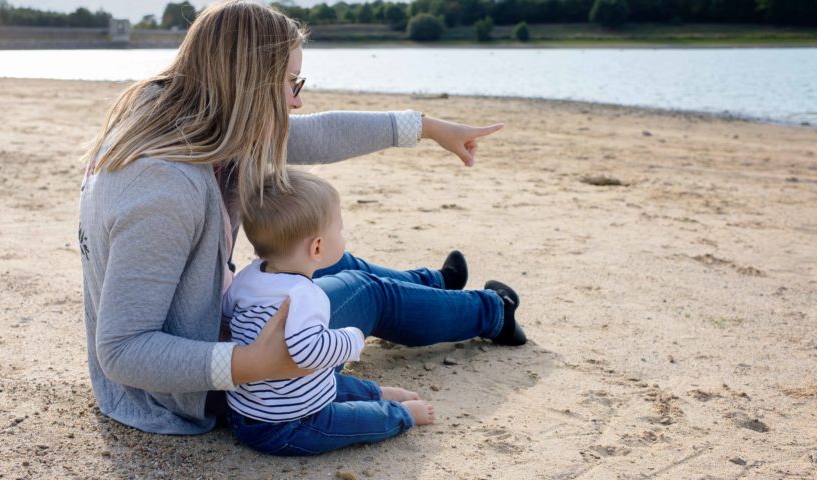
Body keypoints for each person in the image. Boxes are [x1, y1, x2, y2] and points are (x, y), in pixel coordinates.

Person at [78, 0, 526, 436]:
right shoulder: (164, 190)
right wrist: (256, 363)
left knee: (328, 258)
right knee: (365, 292)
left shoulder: (187, 119)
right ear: (249, 84)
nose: (295, 101)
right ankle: (492, 312)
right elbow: (122, 349)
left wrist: (429, 128)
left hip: (213, 319)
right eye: (292, 83)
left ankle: (431, 283)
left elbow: (317, 134)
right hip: (186, 388)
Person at [225, 168, 435, 456]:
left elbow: (226, 314)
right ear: (318, 247)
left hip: (245, 410)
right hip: (287, 423)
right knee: (355, 421)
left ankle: (376, 393)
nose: (342, 235)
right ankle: (400, 414)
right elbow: (308, 354)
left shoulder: (248, 277)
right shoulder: (305, 295)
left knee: (334, 382)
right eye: (339, 229)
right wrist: (351, 339)